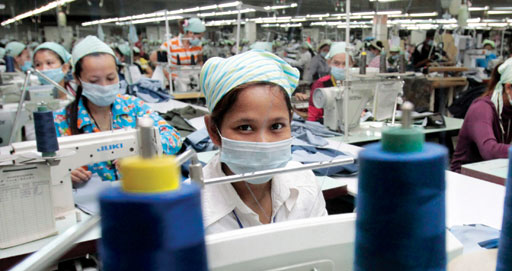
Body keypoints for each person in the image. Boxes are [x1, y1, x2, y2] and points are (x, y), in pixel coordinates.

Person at [198, 50, 327, 233]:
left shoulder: (304, 183)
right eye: (245, 128)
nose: (264, 143)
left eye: (276, 126)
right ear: (213, 130)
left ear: (290, 121)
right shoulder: (190, 209)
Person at [53, 36, 181, 184]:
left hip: (137, 192)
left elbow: (173, 137)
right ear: (77, 78)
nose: (104, 85)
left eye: (110, 78)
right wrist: (63, 173)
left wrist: (143, 151)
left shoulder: (133, 106)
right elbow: (49, 166)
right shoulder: (61, 120)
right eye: (94, 80)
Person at [450, 53, 512, 173]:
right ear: (509, 88)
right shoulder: (482, 108)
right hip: (465, 177)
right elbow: (490, 150)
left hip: (491, 170)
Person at [307, 42, 352, 123]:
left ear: (352, 64)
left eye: (345, 63)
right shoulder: (321, 84)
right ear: (329, 63)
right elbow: (313, 117)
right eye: (336, 63)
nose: (341, 67)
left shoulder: (358, 83)